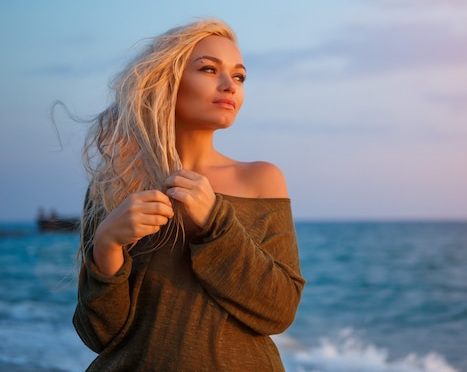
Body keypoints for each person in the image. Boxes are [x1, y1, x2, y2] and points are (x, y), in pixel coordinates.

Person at [73, 19, 305, 371]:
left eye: (239, 76)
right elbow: (99, 335)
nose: (229, 86)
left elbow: (279, 311)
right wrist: (107, 243)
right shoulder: (115, 183)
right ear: (169, 81)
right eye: (209, 69)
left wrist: (215, 221)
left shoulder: (261, 179)